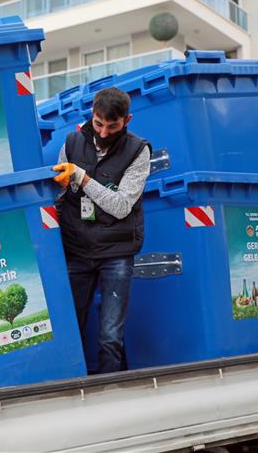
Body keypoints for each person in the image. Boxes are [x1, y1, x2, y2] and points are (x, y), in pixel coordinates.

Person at [52, 87, 151, 374]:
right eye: (98, 124)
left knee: (110, 336)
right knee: (70, 327)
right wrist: (63, 186)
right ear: (92, 114)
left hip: (116, 253)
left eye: (112, 126)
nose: (104, 132)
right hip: (76, 248)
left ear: (127, 120)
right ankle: (70, 388)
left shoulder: (139, 150)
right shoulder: (71, 142)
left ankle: (111, 391)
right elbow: (59, 195)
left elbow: (121, 206)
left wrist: (82, 179)